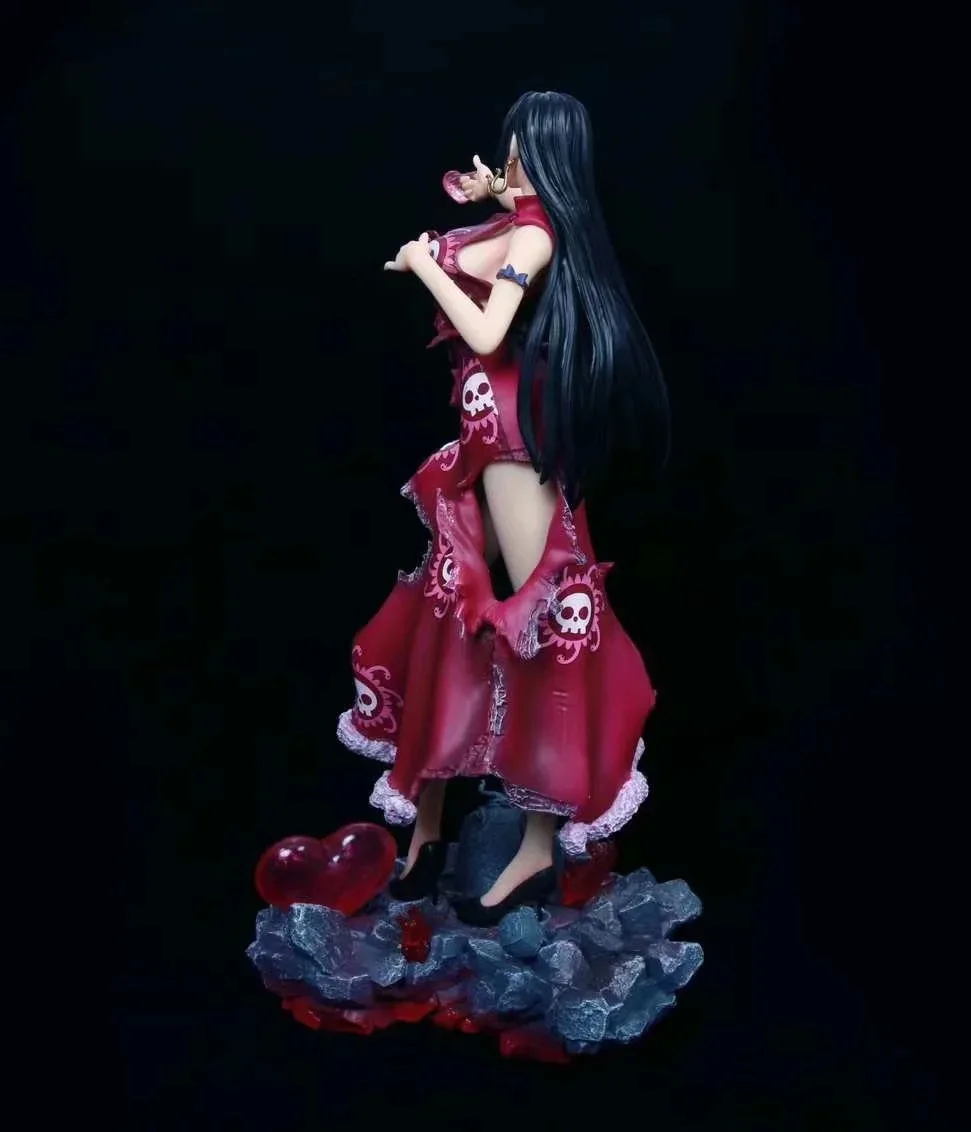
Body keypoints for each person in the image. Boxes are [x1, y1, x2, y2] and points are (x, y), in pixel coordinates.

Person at [338, 91, 670, 925]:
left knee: (545, 627)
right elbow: (467, 252)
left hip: (518, 453)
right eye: (507, 151)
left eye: (520, 152)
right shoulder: (513, 223)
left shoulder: (536, 236)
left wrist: (426, 267)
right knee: (445, 612)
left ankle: (536, 846)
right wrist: (481, 204)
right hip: (480, 450)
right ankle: (427, 829)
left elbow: (488, 334)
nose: (508, 162)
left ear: (546, 156)